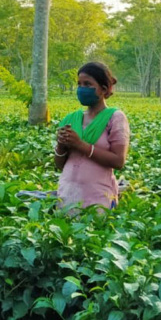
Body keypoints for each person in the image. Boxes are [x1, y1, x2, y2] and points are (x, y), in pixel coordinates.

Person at [54, 62, 131, 211]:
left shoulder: (115, 118)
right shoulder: (72, 118)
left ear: (103, 89)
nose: (82, 89)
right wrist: (61, 145)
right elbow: (59, 165)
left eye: (88, 84)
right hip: (67, 194)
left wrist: (80, 145)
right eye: (79, 84)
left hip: (98, 198)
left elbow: (118, 161)